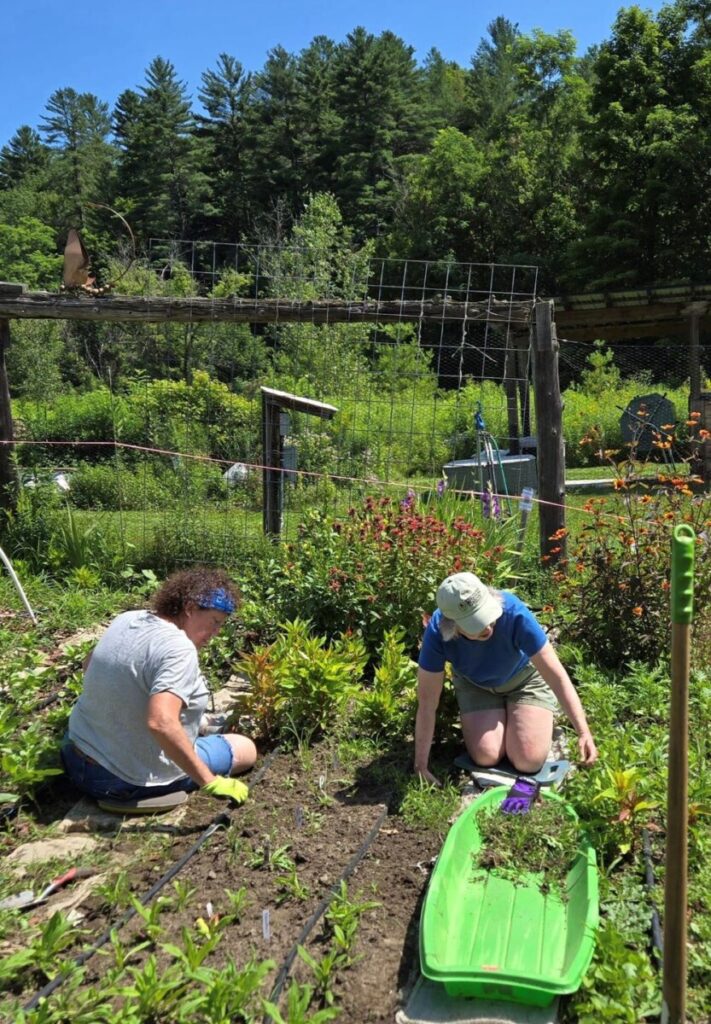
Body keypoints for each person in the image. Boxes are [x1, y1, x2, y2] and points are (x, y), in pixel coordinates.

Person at [61, 567, 257, 805]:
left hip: (75, 756)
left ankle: (201, 724)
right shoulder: (179, 648)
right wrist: (210, 781)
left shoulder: (128, 619)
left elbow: (89, 664)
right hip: (120, 781)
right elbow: (161, 723)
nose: (216, 632)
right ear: (190, 608)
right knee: (245, 748)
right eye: (214, 622)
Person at [414, 571, 598, 785]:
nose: (487, 627)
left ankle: (531, 713)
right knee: (486, 756)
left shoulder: (512, 611)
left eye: (487, 615)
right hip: (476, 685)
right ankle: (506, 717)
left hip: (524, 681)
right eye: (475, 623)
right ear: (451, 626)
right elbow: (427, 703)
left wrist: (583, 732)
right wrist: (421, 765)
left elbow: (556, 676)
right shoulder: (437, 633)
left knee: (528, 760)